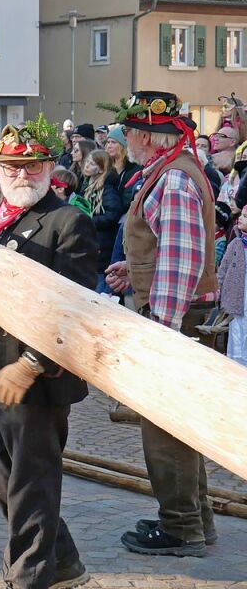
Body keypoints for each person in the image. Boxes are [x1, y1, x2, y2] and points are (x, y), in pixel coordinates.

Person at [0, 122, 97, 589]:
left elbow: (76, 308)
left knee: (31, 484)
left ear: (49, 168)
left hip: (35, 378)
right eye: (9, 166)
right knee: (5, 481)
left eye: (31, 165)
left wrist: (32, 364)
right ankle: (60, 560)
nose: (21, 174)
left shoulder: (68, 221)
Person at [105, 91, 219, 557]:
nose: (125, 138)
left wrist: (160, 327)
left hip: (174, 318)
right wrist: (133, 273)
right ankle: (198, 518)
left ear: (148, 137)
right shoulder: (172, 172)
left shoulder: (172, 180)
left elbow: (181, 259)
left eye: (130, 131)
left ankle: (181, 527)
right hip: (177, 312)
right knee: (182, 425)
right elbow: (170, 251)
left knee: (165, 426)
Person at [82, 149, 123, 293]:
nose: (86, 165)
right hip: (92, 242)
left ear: (100, 169)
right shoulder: (87, 185)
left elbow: (112, 215)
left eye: (92, 163)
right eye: (87, 161)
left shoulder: (107, 188)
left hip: (102, 244)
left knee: (98, 289)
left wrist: (89, 220)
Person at [219, 210, 247, 367]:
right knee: (236, 330)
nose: (240, 218)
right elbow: (223, 268)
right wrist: (221, 291)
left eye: (245, 216)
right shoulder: (236, 244)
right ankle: (235, 366)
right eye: (241, 215)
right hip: (236, 296)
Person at [104, 126, 141, 211]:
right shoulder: (105, 165)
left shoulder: (133, 168)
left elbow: (127, 200)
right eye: (108, 142)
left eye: (113, 142)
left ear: (123, 145)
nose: (109, 146)